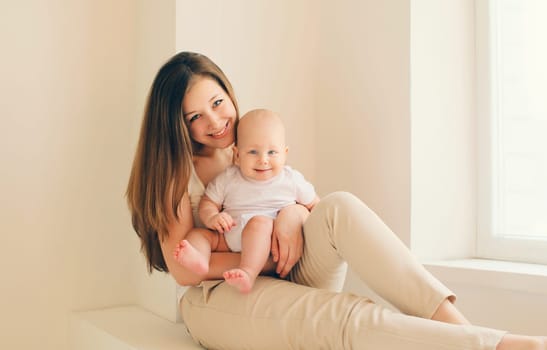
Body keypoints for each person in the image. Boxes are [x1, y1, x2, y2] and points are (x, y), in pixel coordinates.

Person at [126, 51, 546, 349]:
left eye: (218, 103)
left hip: (288, 269)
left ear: (229, 93)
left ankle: (462, 330)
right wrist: (258, 260)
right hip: (221, 297)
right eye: (194, 116)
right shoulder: (176, 173)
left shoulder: (254, 142)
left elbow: (302, 199)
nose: (215, 121)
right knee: (341, 315)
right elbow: (184, 271)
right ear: (176, 125)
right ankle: (506, 347)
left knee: (340, 205)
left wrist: (293, 212)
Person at [173, 108, 319, 293]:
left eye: (272, 152)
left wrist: (302, 221)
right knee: (198, 235)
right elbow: (208, 203)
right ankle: (201, 261)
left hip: (265, 240)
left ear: (285, 153)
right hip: (229, 237)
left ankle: (248, 273)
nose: (263, 160)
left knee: (259, 223)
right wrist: (212, 217)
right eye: (253, 152)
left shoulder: (291, 179)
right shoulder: (228, 177)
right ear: (237, 155)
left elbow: (316, 206)